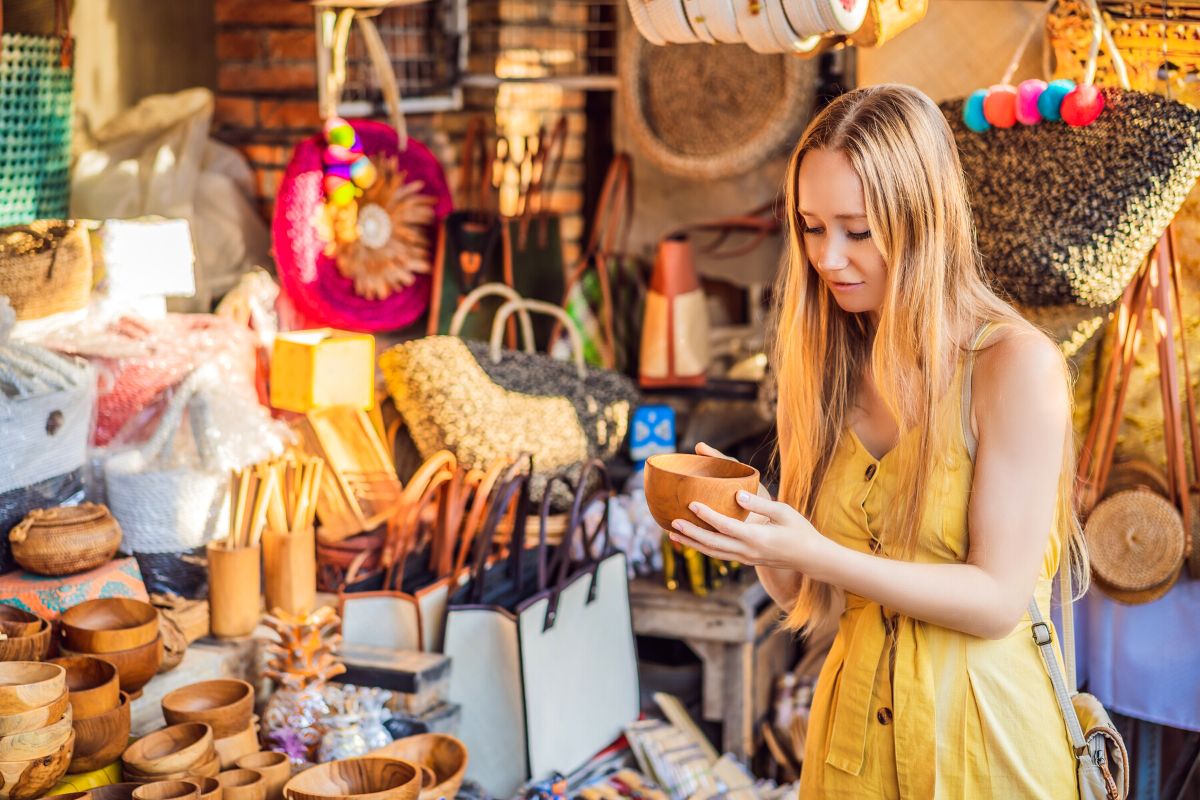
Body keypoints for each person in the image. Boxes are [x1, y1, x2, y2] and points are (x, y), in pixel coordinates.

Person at [669, 85, 1085, 798]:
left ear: (924, 222)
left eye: (857, 231)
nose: (828, 258)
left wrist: (817, 551)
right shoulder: (826, 364)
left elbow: (995, 601)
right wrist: (758, 530)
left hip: (981, 748)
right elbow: (809, 598)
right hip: (850, 749)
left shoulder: (1013, 369)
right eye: (810, 226)